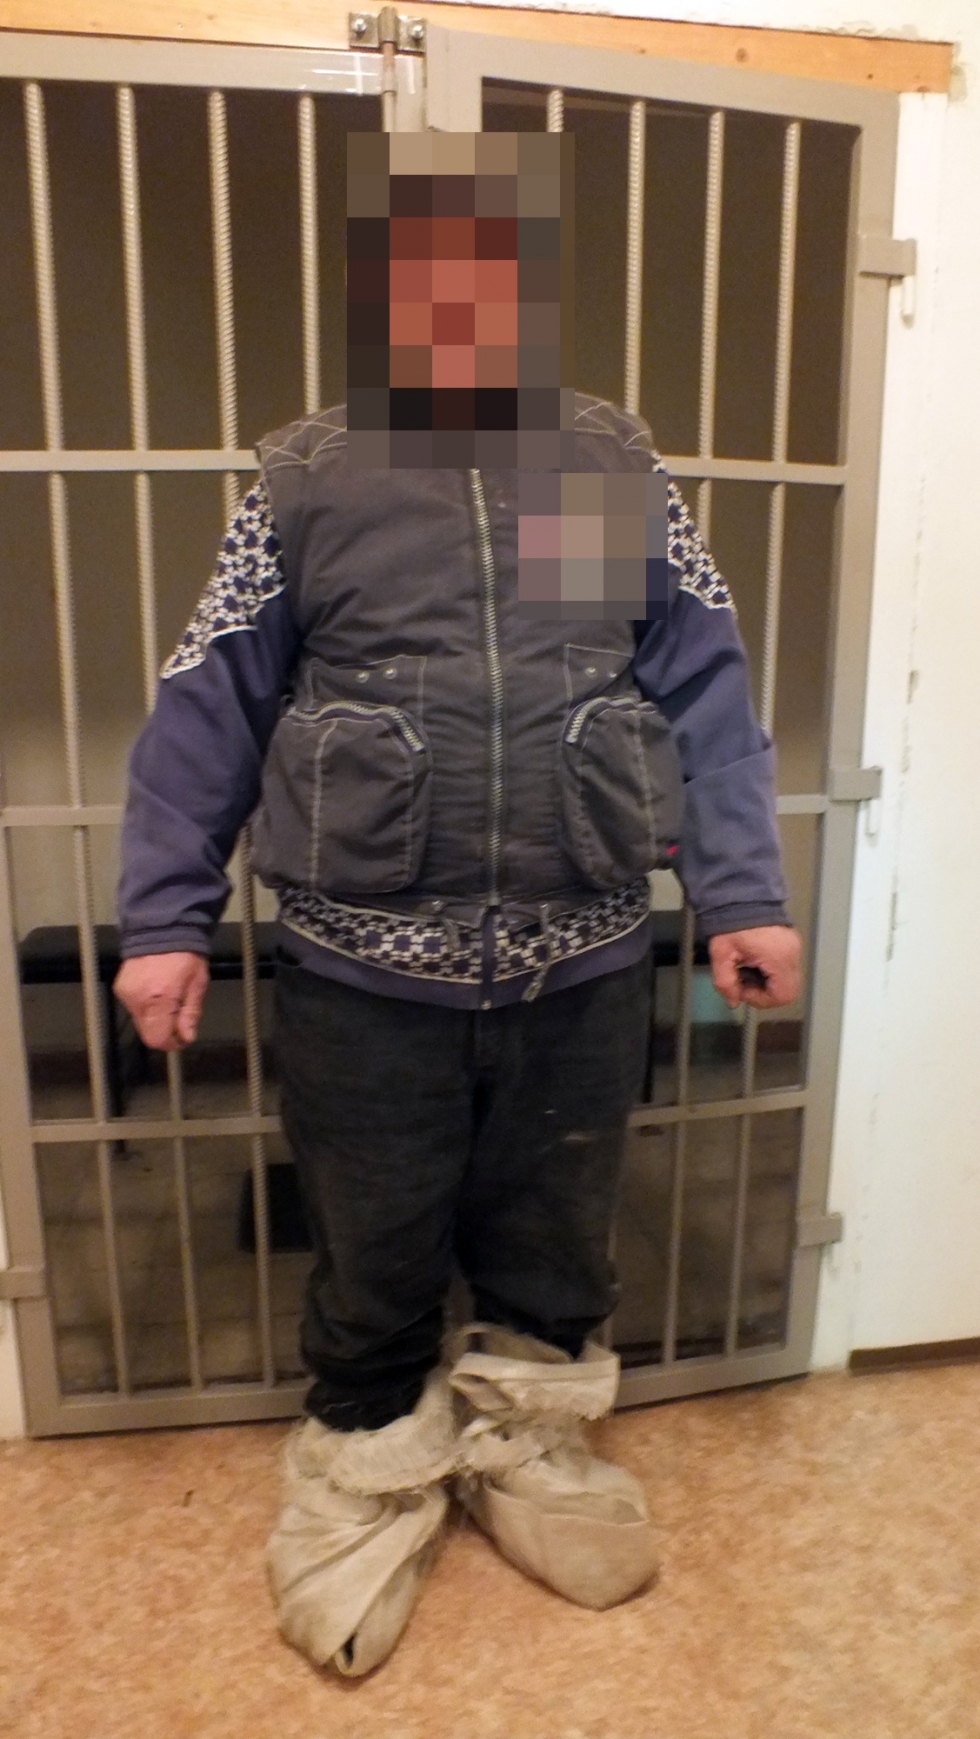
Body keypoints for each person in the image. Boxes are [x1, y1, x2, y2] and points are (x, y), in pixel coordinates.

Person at [114, 385, 800, 1674]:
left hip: (583, 960)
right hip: (358, 973)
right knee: (372, 1234)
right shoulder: (308, 482)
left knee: (557, 1223)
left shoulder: (603, 469)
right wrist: (164, 918)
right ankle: (366, 1450)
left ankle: (530, 1433)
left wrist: (744, 894)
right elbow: (210, 704)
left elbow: (703, 684)